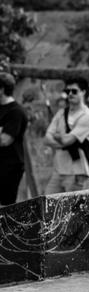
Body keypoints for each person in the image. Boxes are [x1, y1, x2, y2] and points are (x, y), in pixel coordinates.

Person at [43, 77, 89, 194]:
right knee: (48, 206)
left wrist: (59, 137)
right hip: (58, 170)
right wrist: (62, 141)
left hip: (77, 172)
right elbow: (47, 138)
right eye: (68, 91)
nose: (70, 94)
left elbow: (67, 140)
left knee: (72, 210)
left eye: (74, 91)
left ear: (83, 92)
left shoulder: (87, 115)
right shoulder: (61, 113)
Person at [0, 72, 29, 206]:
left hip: (10, 167)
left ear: (1, 89)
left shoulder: (16, 112)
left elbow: (5, 140)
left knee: (6, 209)